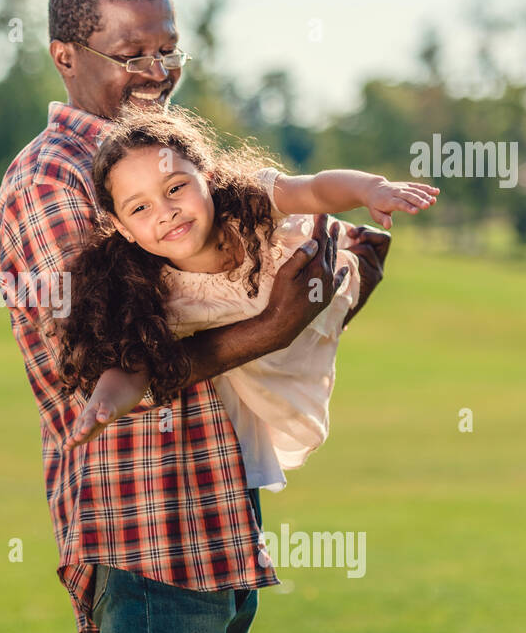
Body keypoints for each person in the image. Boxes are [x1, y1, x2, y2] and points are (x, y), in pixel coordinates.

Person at [0, 0, 389, 633]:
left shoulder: (164, 160)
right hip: (145, 518)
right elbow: (97, 363)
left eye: (169, 50)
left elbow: (237, 275)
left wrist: (322, 290)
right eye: (131, 54)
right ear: (65, 56)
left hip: (218, 503)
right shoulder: (51, 180)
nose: (157, 70)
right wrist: (271, 322)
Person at [56, 107, 437, 501]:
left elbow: (316, 189)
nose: (166, 212)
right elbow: (132, 370)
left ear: (208, 177)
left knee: (348, 264)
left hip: (311, 292)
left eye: (175, 188)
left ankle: (356, 254)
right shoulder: (152, 291)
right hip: (267, 369)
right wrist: (104, 404)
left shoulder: (250, 203)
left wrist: (370, 190)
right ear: (122, 228)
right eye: (140, 208)